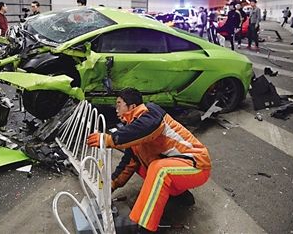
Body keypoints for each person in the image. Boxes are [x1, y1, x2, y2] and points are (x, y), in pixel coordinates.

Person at [86, 88, 211, 233]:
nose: (116, 109)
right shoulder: (135, 131)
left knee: (159, 170)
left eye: (119, 104)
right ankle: (179, 194)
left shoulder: (151, 113)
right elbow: (129, 162)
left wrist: (109, 139)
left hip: (197, 164)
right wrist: (111, 184)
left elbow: (146, 128)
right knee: (143, 165)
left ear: (132, 106)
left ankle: (144, 226)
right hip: (179, 167)